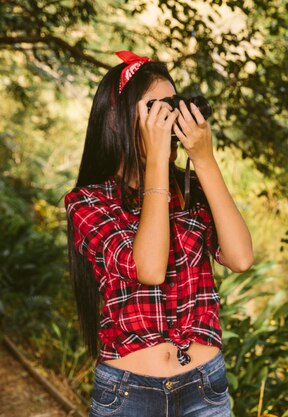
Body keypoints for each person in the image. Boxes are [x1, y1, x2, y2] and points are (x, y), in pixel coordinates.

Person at [64, 50, 254, 416]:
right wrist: (154, 162)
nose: (168, 118)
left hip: (204, 387)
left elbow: (241, 258)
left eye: (173, 106)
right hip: (127, 395)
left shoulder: (193, 188)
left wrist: (204, 158)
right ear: (118, 121)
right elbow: (148, 268)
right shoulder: (88, 202)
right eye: (155, 109)